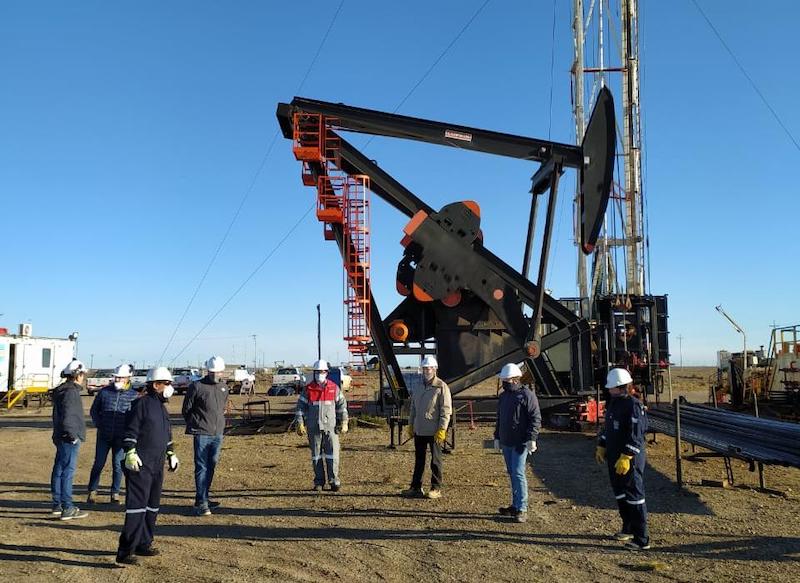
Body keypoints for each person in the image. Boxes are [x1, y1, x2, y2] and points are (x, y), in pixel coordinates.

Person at [116, 367, 179, 565]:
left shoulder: (162, 407)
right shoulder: (141, 404)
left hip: (157, 464)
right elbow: (130, 430)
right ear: (155, 385)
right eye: (167, 383)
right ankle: (126, 551)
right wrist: (130, 452)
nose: (170, 387)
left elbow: (166, 435)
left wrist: (171, 453)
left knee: (152, 506)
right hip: (140, 464)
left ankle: (144, 543)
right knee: (137, 508)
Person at [595, 367, 651, 550]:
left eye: (611, 387)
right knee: (620, 492)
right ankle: (627, 528)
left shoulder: (633, 405)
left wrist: (627, 455)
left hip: (629, 458)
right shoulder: (613, 403)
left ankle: (641, 538)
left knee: (634, 495)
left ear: (621, 387)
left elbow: (637, 434)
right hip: (614, 455)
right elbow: (609, 428)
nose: (608, 390)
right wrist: (602, 444)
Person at [494, 363, 541, 523]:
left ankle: (522, 508)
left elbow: (535, 418)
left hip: (521, 443)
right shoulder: (504, 396)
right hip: (506, 441)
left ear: (514, 380)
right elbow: (500, 418)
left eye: (505, 379)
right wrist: (497, 437)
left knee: (518, 473)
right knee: (512, 472)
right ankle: (515, 505)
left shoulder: (527, 395)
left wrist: (531, 439)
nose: (503, 382)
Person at [181, 355, 229, 516]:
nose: (216, 374)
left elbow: (222, 407)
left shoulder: (224, 387)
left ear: (223, 371)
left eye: (218, 372)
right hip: (202, 432)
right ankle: (202, 503)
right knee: (201, 467)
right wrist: (196, 424)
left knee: (212, 465)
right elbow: (186, 409)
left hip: (218, 433)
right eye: (213, 371)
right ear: (208, 371)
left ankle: (203, 498)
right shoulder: (197, 386)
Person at [87, 363, 138, 504]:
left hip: (121, 438)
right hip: (104, 435)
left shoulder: (134, 396)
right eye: (116, 377)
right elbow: (94, 411)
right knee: (98, 464)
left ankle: (115, 494)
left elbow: (135, 418)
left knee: (118, 465)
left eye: (121, 378)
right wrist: (99, 424)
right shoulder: (104, 392)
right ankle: (92, 491)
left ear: (128, 378)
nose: (118, 380)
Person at [402, 355, 452, 499]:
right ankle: (416, 487)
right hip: (420, 430)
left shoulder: (442, 387)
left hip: (435, 431)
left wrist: (442, 429)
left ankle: (436, 488)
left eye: (429, 368)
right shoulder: (418, 387)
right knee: (419, 460)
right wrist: (411, 425)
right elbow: (413, 408)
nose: (427, 370)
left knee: (435, 461)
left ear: (435, 369)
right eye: (425, 368)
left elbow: (446, 410)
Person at [295, 359, 348, 492]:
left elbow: (342, 406)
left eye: (322, 371)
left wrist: (344, 421)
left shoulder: (334, 388)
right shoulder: (308, 389)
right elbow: (300, 408)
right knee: (316, 456)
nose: (319, 374)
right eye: (317, 372)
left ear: (326, 372)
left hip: (331, 428)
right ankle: (319, 482)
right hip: (314, 428)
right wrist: (300, 423)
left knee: (332, 455)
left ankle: (334, 481)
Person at [50, 359, 89, 520]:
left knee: (59, 469)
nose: (84, 378)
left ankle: (57, 504)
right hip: (68, 437)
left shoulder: (62, 390)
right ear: (77, 375)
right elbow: (69, 416)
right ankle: (67, 507)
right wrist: (72, 435)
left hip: (61, 435)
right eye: (82, 374)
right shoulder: (71, 392)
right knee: (67, 471)